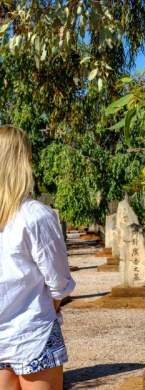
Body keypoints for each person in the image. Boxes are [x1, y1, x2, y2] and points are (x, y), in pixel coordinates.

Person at [0, 126, 75, 390]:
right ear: (23, 162)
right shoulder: (35, 216)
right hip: (35, 334)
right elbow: (60, 283)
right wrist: (52, 307)